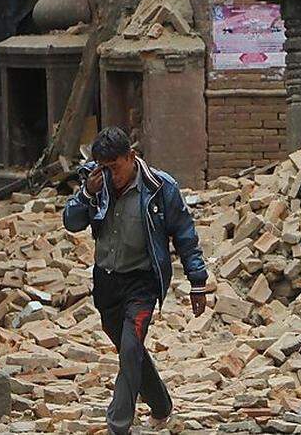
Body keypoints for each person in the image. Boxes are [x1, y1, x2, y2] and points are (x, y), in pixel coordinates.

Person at [64, 127, 209, 434]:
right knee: (129, 349)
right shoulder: (95, 183)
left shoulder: (160, 187)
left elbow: (185, 236)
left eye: (114, 167)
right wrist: (87, 193)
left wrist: (198, 281)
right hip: (107, 282)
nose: (109, 175)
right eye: (103, 168)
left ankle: (118, 425)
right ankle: (161, 405)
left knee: (131, 349)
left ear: (131, 157)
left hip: (142, 281)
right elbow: (71, 222)